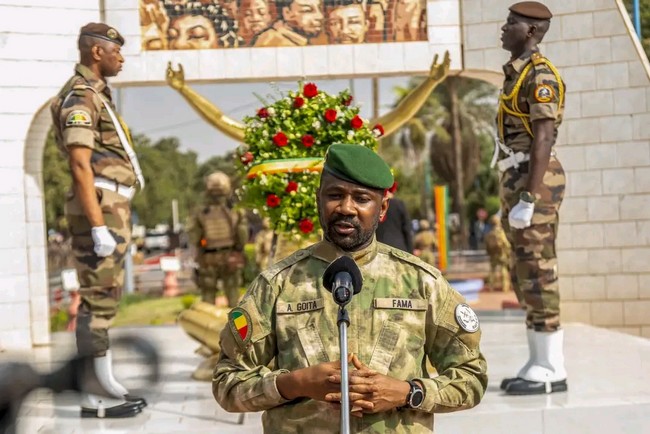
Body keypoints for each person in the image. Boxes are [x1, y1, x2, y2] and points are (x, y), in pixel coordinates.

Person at [213, 144, 487, 432]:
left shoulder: (422, 283)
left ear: (382, 209)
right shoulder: (278, 284)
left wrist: (409, 392)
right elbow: (226, 383)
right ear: (319, 200)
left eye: (361, 198)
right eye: (335, 195)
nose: (346, 208)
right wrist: (295, 383)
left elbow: (472, 377)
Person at [50, 23, 146, 418]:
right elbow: (79, 164)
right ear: (96, 53)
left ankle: (102, 381)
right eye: (116, 51)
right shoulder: (81, 97)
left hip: (111, 206)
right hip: (100, 207)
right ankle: (92, 392)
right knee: (96, 303)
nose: (121, 57)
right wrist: (96, 225)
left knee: (105, 302)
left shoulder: (97, 96)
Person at [496, 1, 567, 395]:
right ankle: (538, 358)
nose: (503, 29)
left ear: (532, 31)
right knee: (522, 268)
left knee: (538, 267)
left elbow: (544, 137)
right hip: (518, 173)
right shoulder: (515, 74)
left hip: (535, 178)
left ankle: (552, 366)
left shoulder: (540, 74)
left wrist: (529, 196)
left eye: (511, 23)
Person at [187, 171, 248, 308]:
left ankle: (207, 327)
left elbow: (194, 237)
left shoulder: (200, 211)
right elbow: (242, 234)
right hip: (231, 255)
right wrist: (239, 249)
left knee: (208, 296)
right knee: (233, 295)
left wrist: (201, 248)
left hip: (208, 257)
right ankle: (237, 327)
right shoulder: (236, 210)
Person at [252, 0, 324, 46]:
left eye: (320, 9)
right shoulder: (273, 42)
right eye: (307, 10)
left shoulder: (298, 41)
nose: (320, 16)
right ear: (287, 13)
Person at [375, 181, 413, 253]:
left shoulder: (373, 205)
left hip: (379, 249)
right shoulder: (399, 204)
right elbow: (407, 230)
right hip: (399, 249)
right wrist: (411, 252)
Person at [484, 214, 511, 292]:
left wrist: (489, 252)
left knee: (492, 270)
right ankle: (505, 287)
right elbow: (506, 243)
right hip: (501, 254)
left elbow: (486, 244)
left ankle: (491, 286)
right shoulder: (500, 232)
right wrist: (509, 251)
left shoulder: (489, 233)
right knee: (503, 269)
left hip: (493, 254)